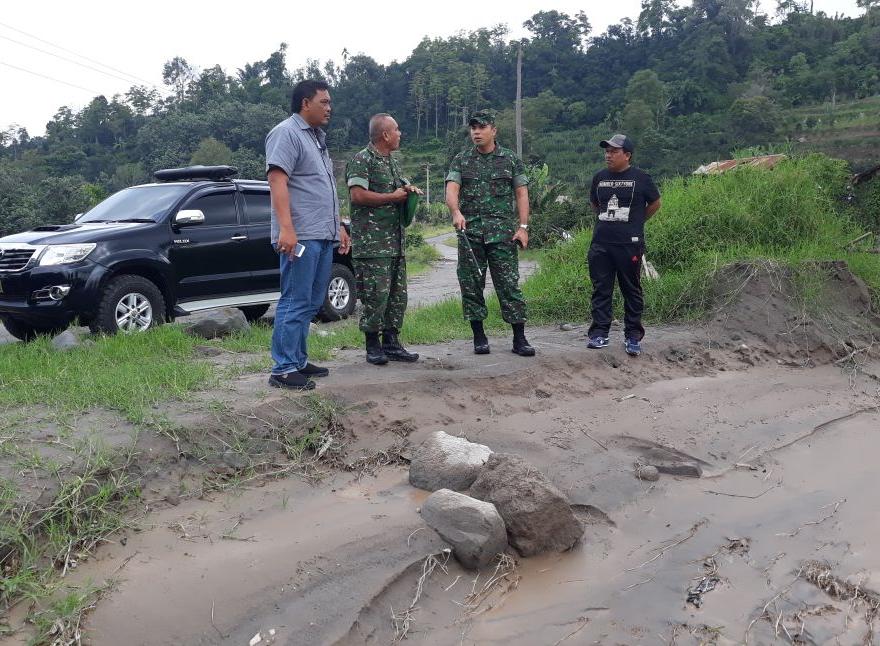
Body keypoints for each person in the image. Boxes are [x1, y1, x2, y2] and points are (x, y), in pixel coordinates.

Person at [265, 79, 351, 390]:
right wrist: (287, 229)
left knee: (314, 300)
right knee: (295, 299)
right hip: (300, 235)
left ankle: (298, 360)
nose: (330, 108)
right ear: (305, 103)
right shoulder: (286, 133)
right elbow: (277, 181)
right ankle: (283, 369)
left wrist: (338, 225)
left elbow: (324, 186)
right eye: (324, 102)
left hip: (322, 232)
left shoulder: (316, 138)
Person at [445, 110, 534, 357]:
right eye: (473, 128)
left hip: (502, 235)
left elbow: (521, 194)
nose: (476, 132)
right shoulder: (461, 160)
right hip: (470, 234)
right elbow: (452, 189)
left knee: (509, 285)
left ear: (494, 130)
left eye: (482, 127)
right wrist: (455, 211)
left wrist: (523, 227)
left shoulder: (510, 159)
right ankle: (479, 337)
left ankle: (519, 338)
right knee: (471, 285)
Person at [346, 113, 422, 365]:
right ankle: (372, 345)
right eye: (397, 130)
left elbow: (399, 188)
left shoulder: (393, 162)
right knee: (375, 296)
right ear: (385, 135)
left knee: (397, 296)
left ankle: (391, 343)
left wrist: (408, 190)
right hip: (372, 244)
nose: (400, 134)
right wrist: (392, 197)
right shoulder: (361, 160)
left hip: (395, 242)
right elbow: (357, 196)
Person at [586, 133, 661, 357]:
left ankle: (633, 336)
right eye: (607, 151)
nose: (608, 155)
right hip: (601, 243)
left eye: (614, 151)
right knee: (601, 289)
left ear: (627, 155)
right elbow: (595, 204)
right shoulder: (599, 177)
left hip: (629, 245)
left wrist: (636, 222)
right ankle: (599, 333)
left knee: (631, 289)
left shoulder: (641, 178)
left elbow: (655, 203)